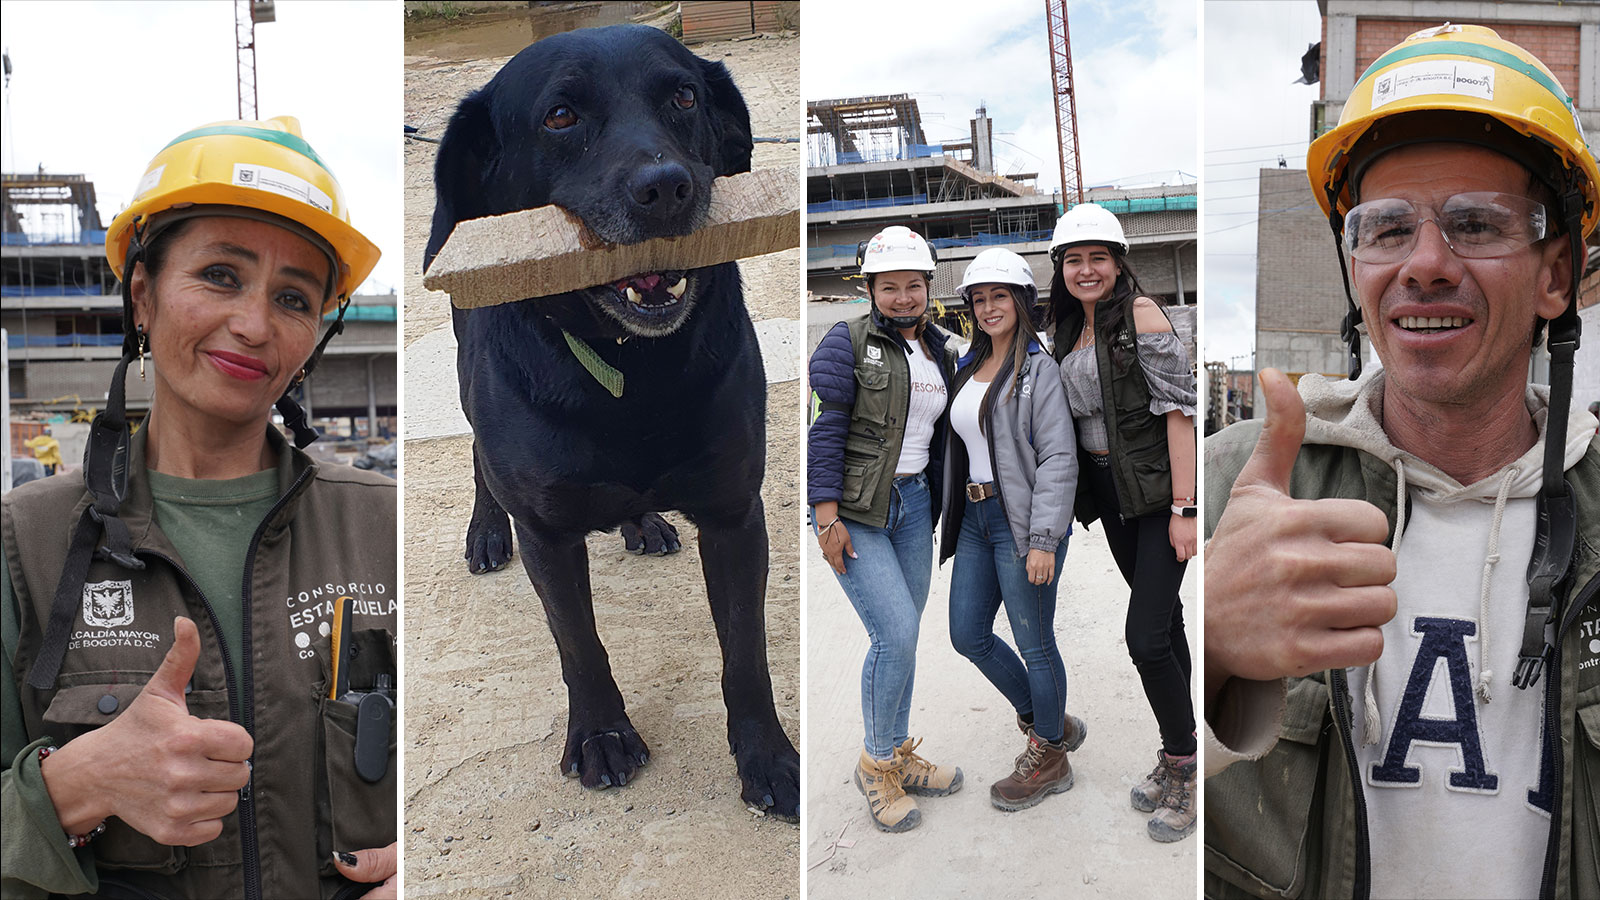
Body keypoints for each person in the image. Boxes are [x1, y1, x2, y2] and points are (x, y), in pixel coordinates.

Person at [1204, 24, 1600, 899]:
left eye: (1474, 224)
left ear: (1557, 274)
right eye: (1386, 229)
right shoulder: (1239, 490)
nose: (1423, 265)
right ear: (1355, 264)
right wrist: (1202, 645)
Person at [1, 116, 399, 900]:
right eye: (221, 274)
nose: (254, 325)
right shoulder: (27, 543)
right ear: (142, 297)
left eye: (293, 297)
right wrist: (74, 786)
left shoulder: (382, 525)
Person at [1047, 202, 1199, 842]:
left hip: (1158, 495)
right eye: (1074, 260)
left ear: (1117, 264)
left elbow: (1179, 411)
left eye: (1097, 259)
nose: (1086, 270)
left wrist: (1185, 509)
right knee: (1165, 627)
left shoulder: (1139, 315)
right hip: (1110, 495)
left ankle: (1181, 767)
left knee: (1143, 639)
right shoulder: (1067, 330)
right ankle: (1186, 750)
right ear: (1061, 269)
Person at [807, 225, 962, 832]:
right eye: (889, 286)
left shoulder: (944, 349)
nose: (903, 297)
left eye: (914, 285)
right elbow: (824, 431)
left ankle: (897, 750)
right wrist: (826, 517)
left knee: (907, 631)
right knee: (893, 633)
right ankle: (875, 766)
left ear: (929, 286)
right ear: (869, 287)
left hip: (916, 504)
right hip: (858, 510)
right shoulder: (843, 343)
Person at [939, 248, 1079, 812]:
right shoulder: (969, 366)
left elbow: (1059, 459)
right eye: (979, 298)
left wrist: (1044, 539)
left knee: (1035, 641)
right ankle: (1050, 720)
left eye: (1000, 296)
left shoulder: (1040, 371)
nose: (989, 307)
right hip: (974, 519)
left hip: (1021, 524)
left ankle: (1050, 756)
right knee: (966, 633)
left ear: (1022, 301)